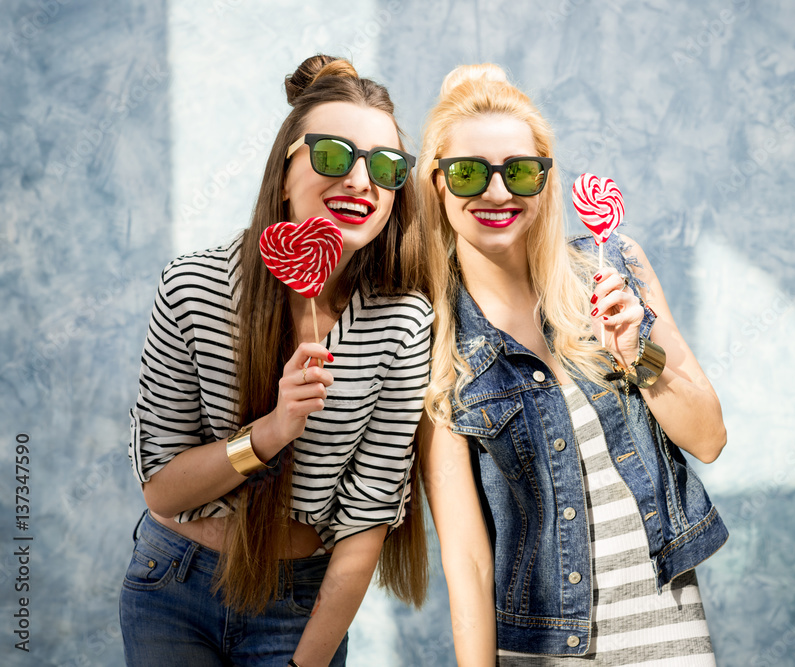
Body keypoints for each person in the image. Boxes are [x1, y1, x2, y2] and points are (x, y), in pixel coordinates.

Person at [120, 55, 432, 667]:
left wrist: (304, 663)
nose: (362, 182)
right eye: (335, 157)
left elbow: (367, 520)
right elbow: (162, 489)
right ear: (283, 172)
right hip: (173, 584)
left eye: (387, 167)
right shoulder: (194, 287)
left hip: (301, 607)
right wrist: (269, 434)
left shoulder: (401, 322)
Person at [418, 64, 729, 666]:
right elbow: (468, 561)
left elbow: (709, 438)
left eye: (521, 171)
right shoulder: (437, 340)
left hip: (666, 637)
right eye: (468, 172)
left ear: (547, 179)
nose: (498, 192)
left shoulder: (615, 271)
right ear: (436, 184)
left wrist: (638, 354)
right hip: (541, 652)